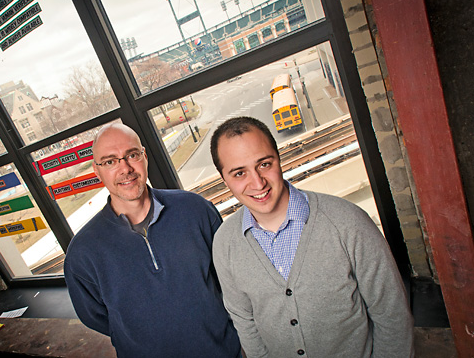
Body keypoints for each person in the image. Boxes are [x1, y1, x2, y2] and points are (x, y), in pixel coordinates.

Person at [209, 116, 414, 358]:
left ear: (278, 158)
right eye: (239, 173)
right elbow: (245, 323)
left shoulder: (348, 222)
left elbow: (392, 316)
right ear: (224, 180)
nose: (257, 182)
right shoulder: (224, 243)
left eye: (264, 164)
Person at [64, 123, 240, 358]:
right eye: (110, 161)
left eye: (132, 155)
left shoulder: (196, 210)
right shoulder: (82, 253)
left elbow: (229, 279)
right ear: (97, 171)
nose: (125, 168)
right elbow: (95, 317)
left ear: (144, 157)